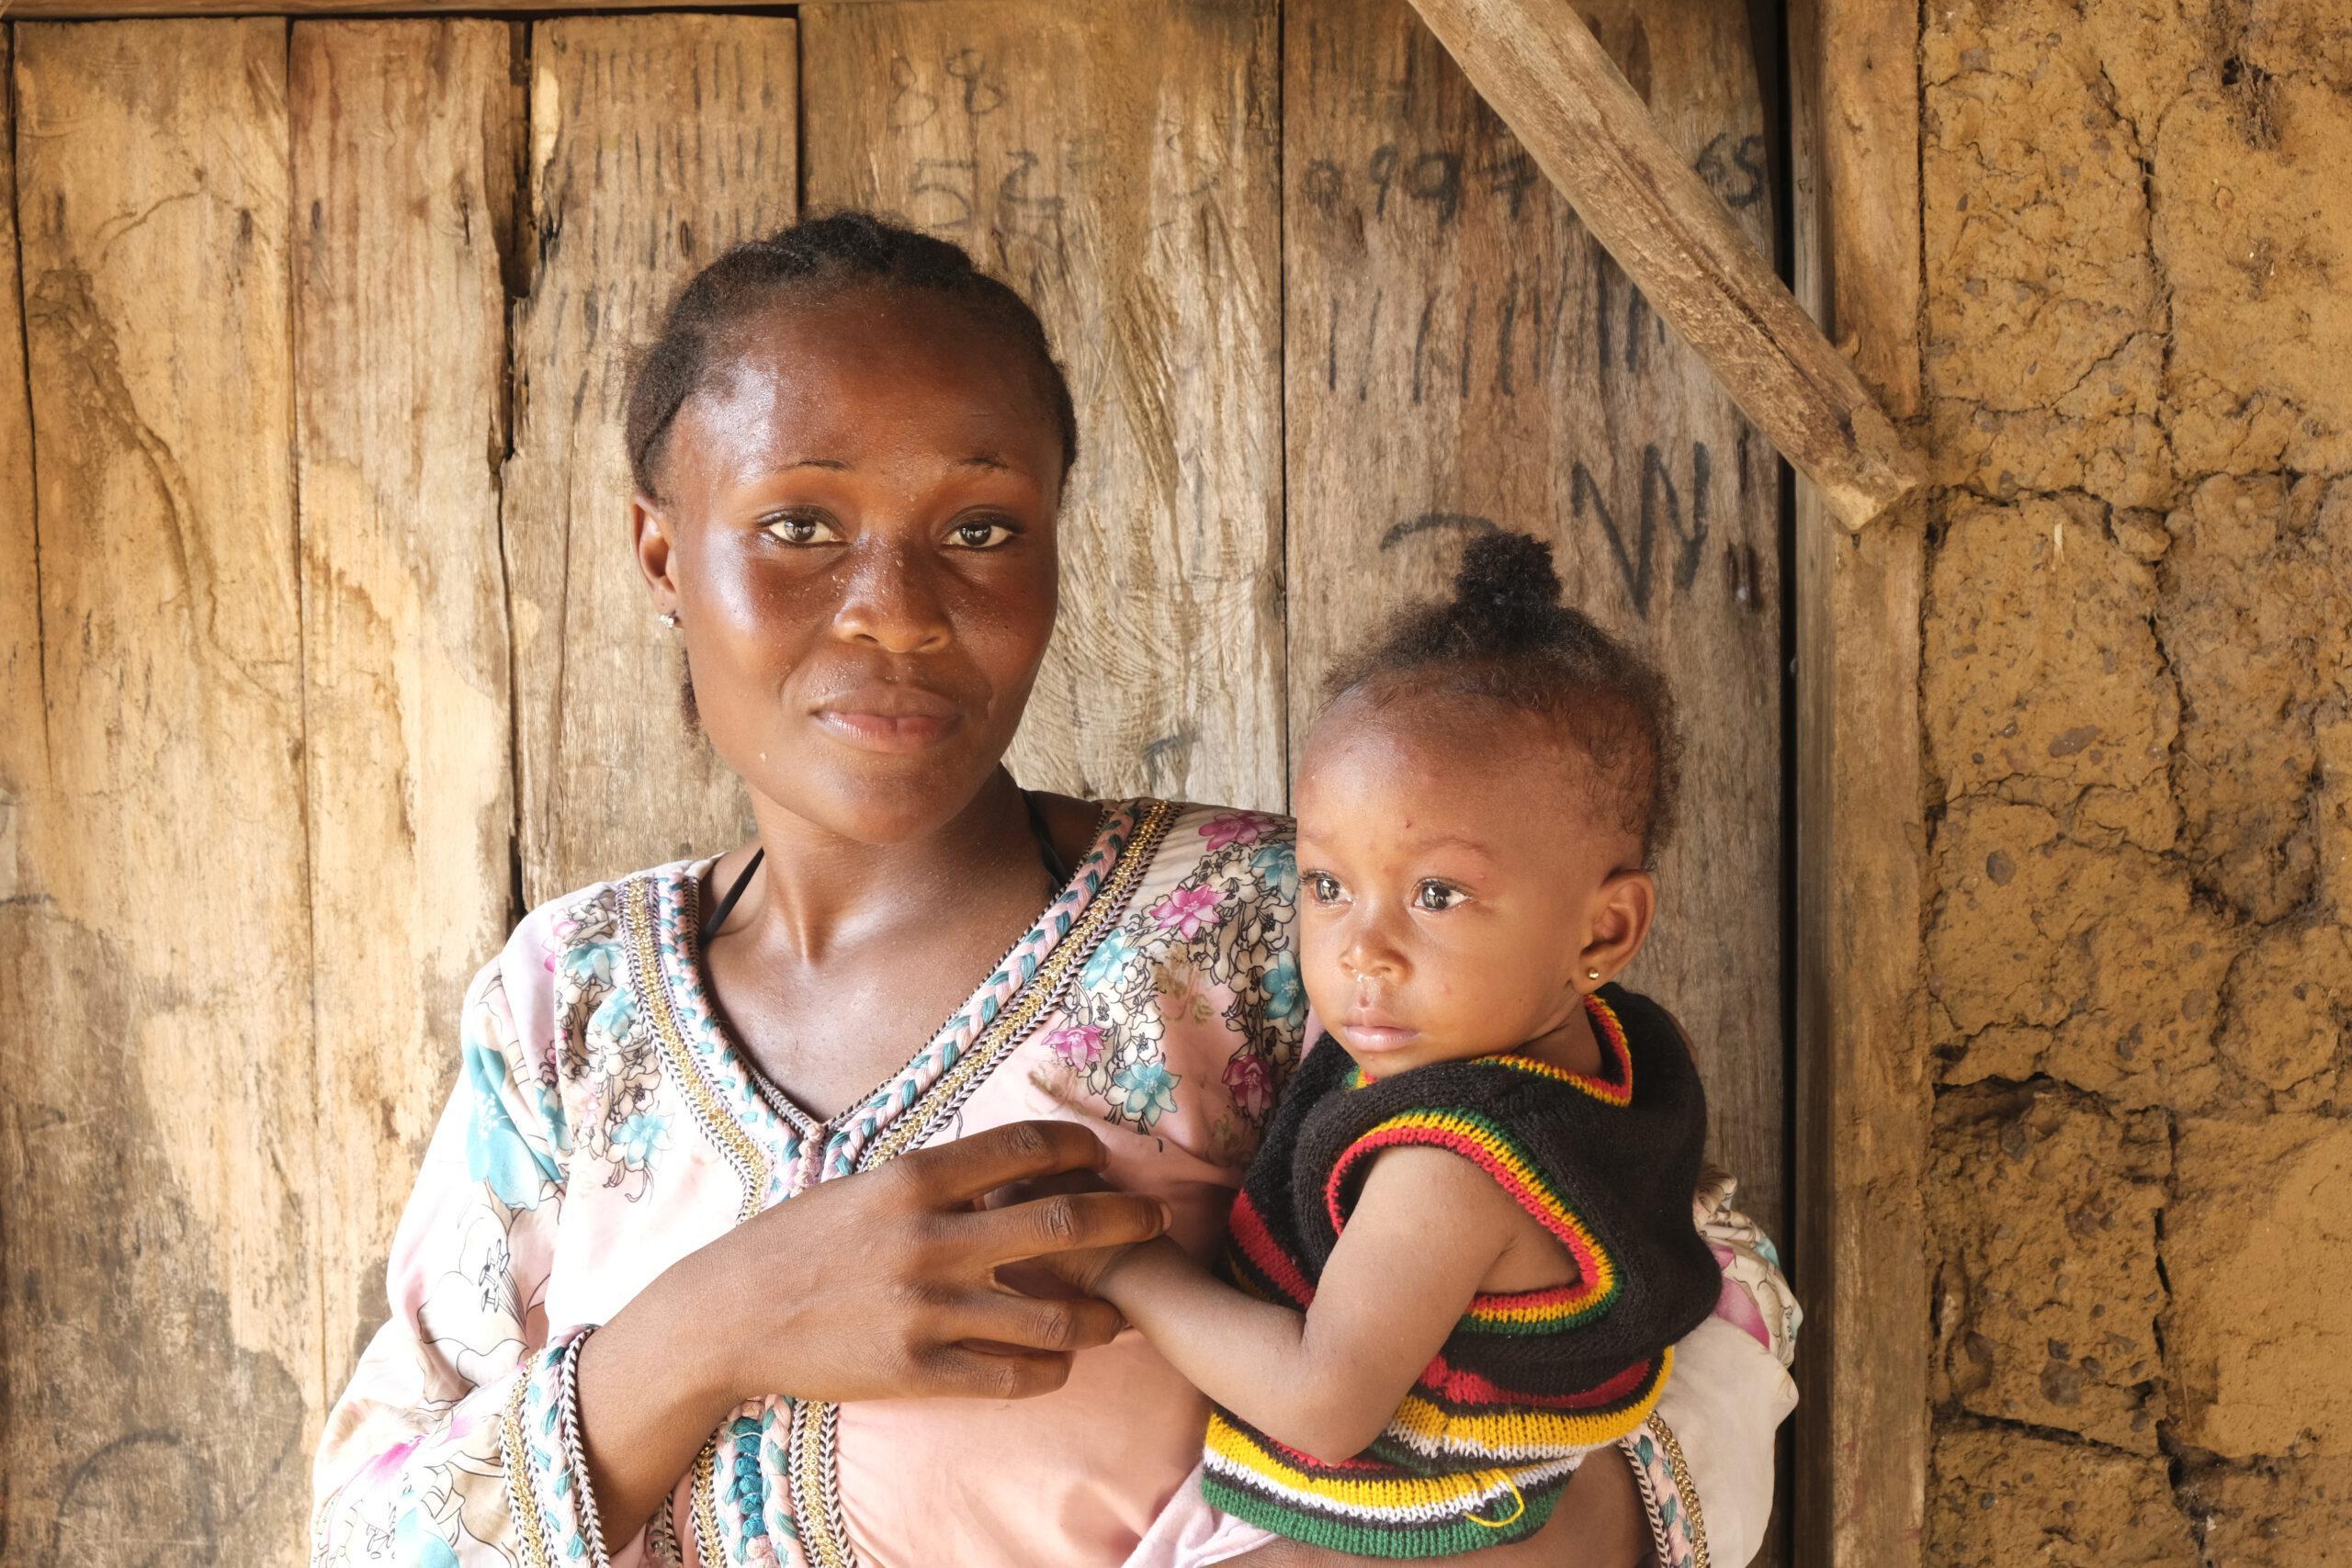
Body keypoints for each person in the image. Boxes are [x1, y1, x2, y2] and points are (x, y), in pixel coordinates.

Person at [308, 212, 1799, 1568]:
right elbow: (366, 1535)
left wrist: (1502, 1538)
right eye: (800, 525)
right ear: (661, 553)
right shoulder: (570, 1004)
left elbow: (1699, 1294)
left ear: (1055, 558)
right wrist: (709, 1326)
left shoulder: (1286, 938)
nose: (894, 609)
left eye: (979, 527)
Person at [1045, 531, 1726, 1561]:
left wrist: (1122, 1265)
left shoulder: (1450, 1163)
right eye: (1326, 885)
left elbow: (1322, 1405)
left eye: (1437, 895)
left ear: (1604, 931)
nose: (1363, 949)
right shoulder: (1603, 1044)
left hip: (1426, 1516)